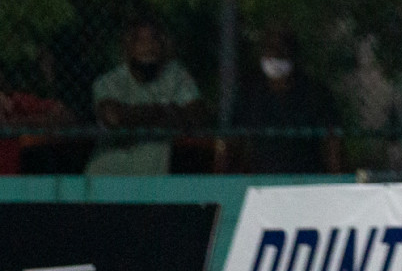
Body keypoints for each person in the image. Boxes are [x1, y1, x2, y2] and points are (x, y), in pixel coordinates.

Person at [86, 18, 203, 175]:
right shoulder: (111, 80)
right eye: (139, 40)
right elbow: (113, 118)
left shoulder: (176, 75)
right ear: (128, 47)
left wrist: (134, 115)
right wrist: (167, 111)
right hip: (108, 177)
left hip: (153, 181)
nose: (148, 47)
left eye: (154, 39)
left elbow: (196, 115)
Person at [224, 27, 343, 174]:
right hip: (260, 177)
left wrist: (334, 178)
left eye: (280, 51)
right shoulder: (249, 92)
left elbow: (332, 142)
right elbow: (233, 142)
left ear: (292, 55)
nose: (274, 56)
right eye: (270, 50)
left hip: (306, 175)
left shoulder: (315, 93)